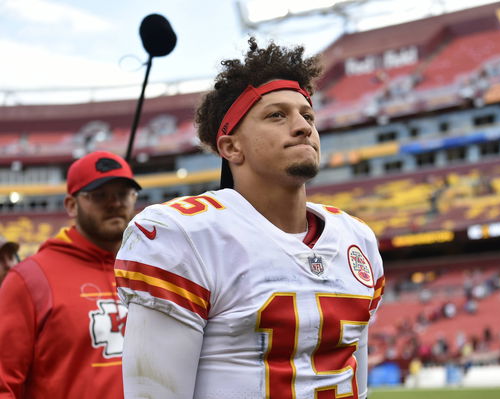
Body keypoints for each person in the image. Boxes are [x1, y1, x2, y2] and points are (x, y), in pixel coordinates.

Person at [115, 38, 385, 398]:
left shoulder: (357, 238)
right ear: (231, 147)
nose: (303, 126)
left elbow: (358, 386)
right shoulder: (183, 234)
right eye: (277, 115)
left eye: (308, 116)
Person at [0, 151, 141, 398]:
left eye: (123, 194)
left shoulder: (149, 271)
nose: (115, 203)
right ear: (71, 205)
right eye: (99, 195)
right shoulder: (29, 279)